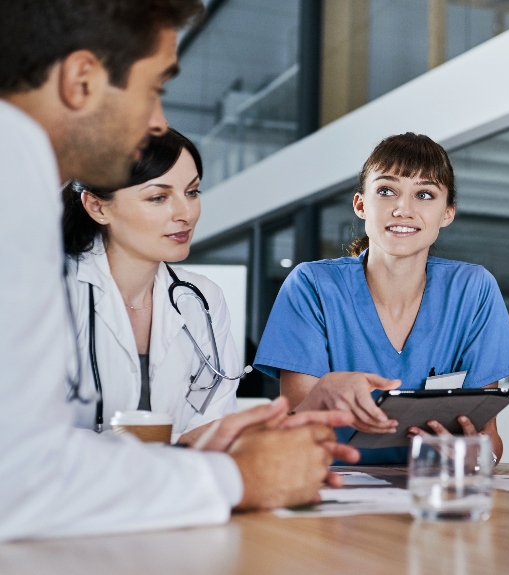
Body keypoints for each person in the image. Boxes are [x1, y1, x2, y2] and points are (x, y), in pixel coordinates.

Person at [0, 0, 358, 541]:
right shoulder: (15, 183)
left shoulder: (198, 295)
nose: (158, 121)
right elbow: (20, 478)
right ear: (81, 80)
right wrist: (238, 477)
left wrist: (205, 449)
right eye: (154, 88)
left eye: (190, 193)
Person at [254, 132, 509, 464]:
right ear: (361, 205)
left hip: (433, 494)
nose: (403, 209)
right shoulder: (313, 285)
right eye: (386, 191)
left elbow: (490, 442)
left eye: (424, 194)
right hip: (331, 489)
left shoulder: (472, 289)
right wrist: (323, 396)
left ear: (447, 214)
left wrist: (472, 455)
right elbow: (290, 437)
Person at [63, 128, 242, 444]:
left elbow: (215, 423)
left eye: (192, 192)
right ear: (97, 207)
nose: (186, 213)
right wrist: (179, 447)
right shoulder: (54, 294)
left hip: (177, 490)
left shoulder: (201, 298)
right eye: (158, 197)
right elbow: (24, 437)